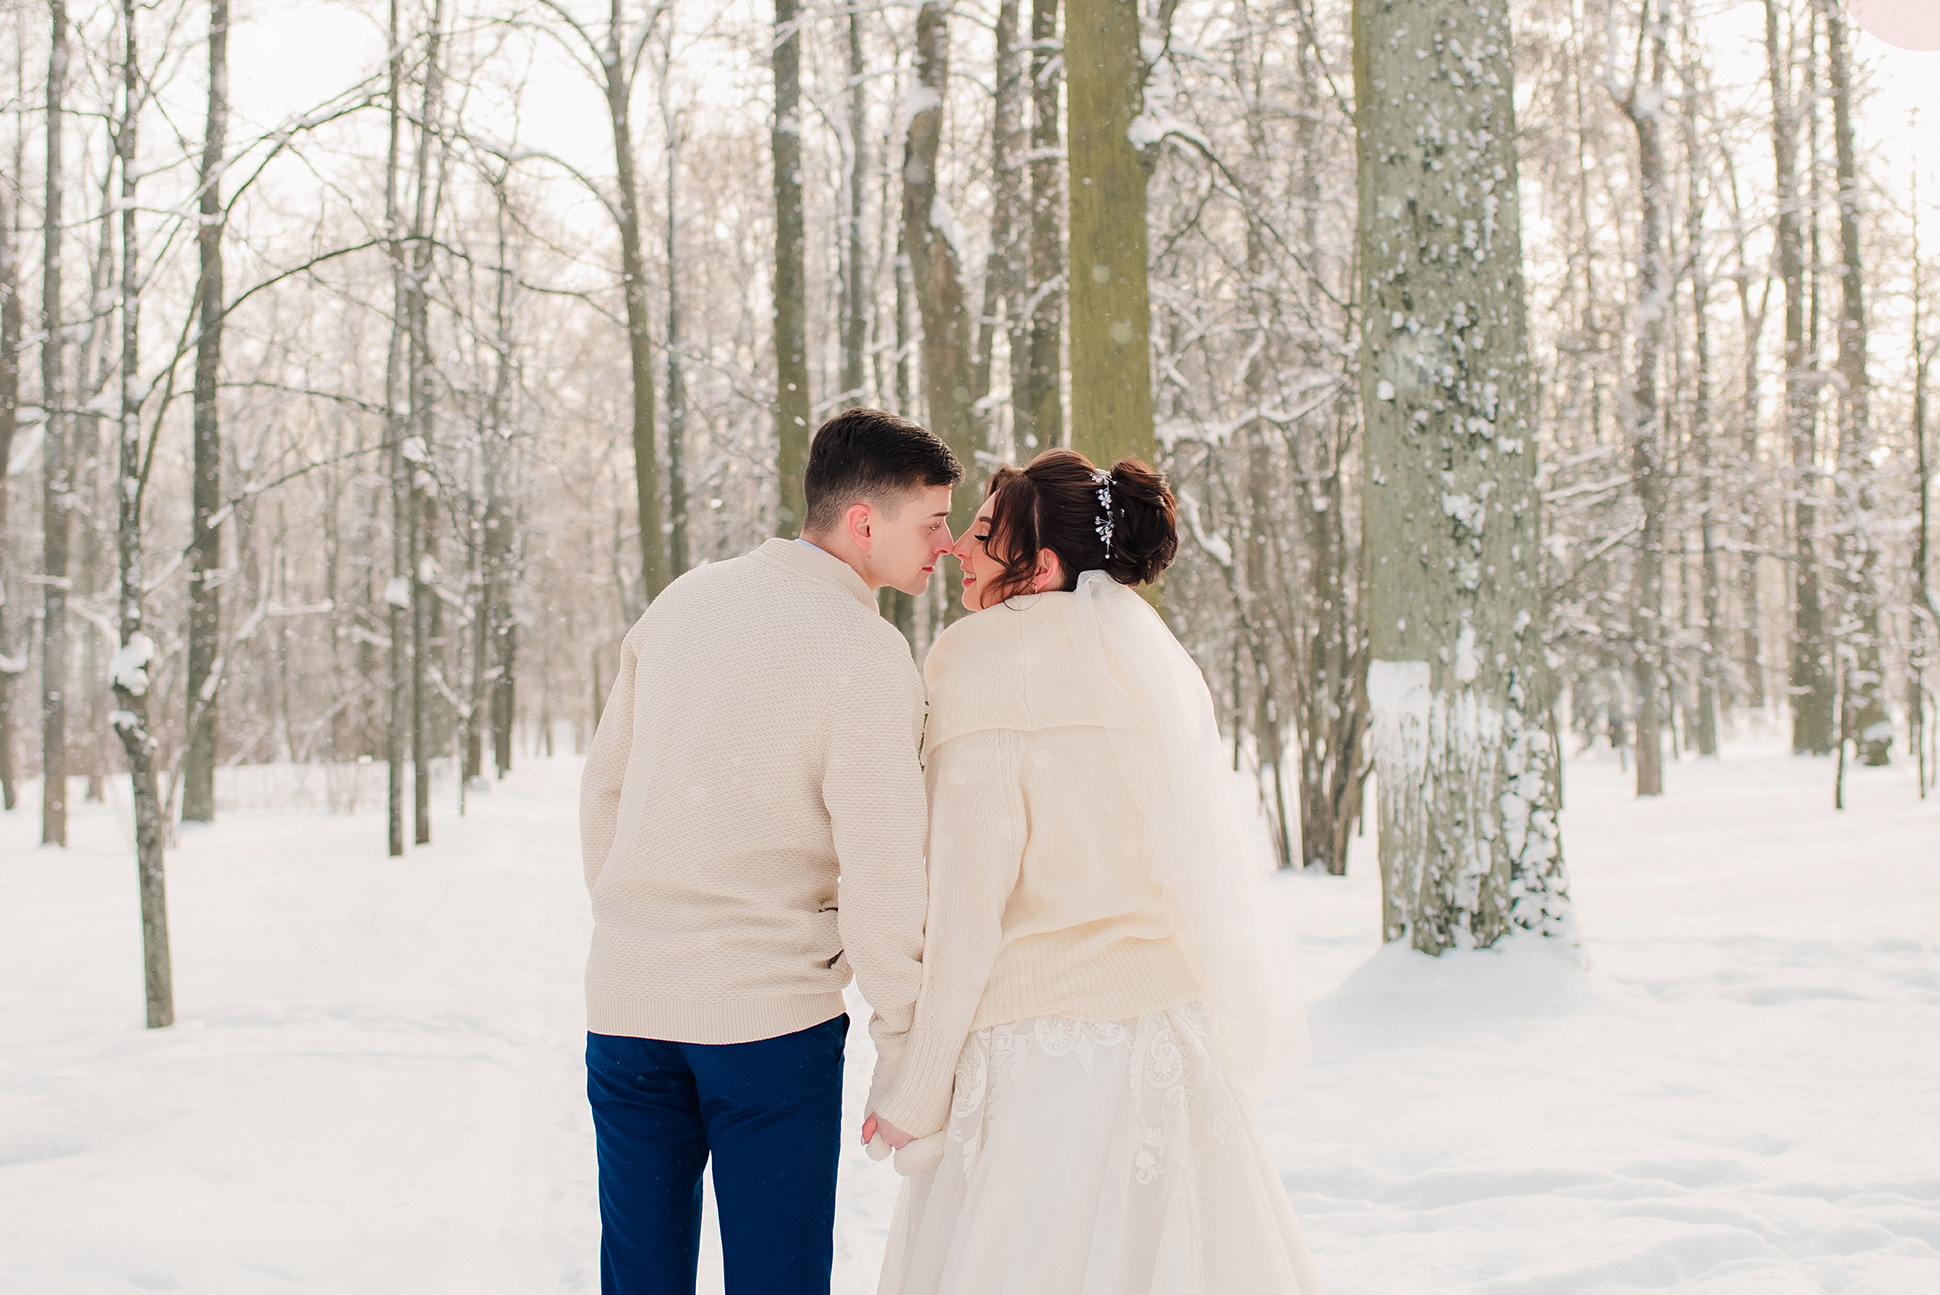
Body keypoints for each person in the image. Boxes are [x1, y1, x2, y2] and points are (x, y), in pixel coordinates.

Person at [863, 448, 1324, 1295]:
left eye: (982, 534)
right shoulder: (1139, 669)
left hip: (1043, 1069)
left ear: (1039, 568)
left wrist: (917, 1088)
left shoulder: (980, 665)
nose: (959, 548)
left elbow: (966, 912)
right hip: (1167, 1047)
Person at [578, 408, 962, 1295]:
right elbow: (883, 870)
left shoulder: (684, 600)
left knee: (640, 1278)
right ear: (865, 522)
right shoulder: (867, 652)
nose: (946, 543)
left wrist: (645, 927)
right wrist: (904, 1039)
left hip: (628, 1010)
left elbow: (604, 789)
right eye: (933, 520)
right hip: (767, 1026)